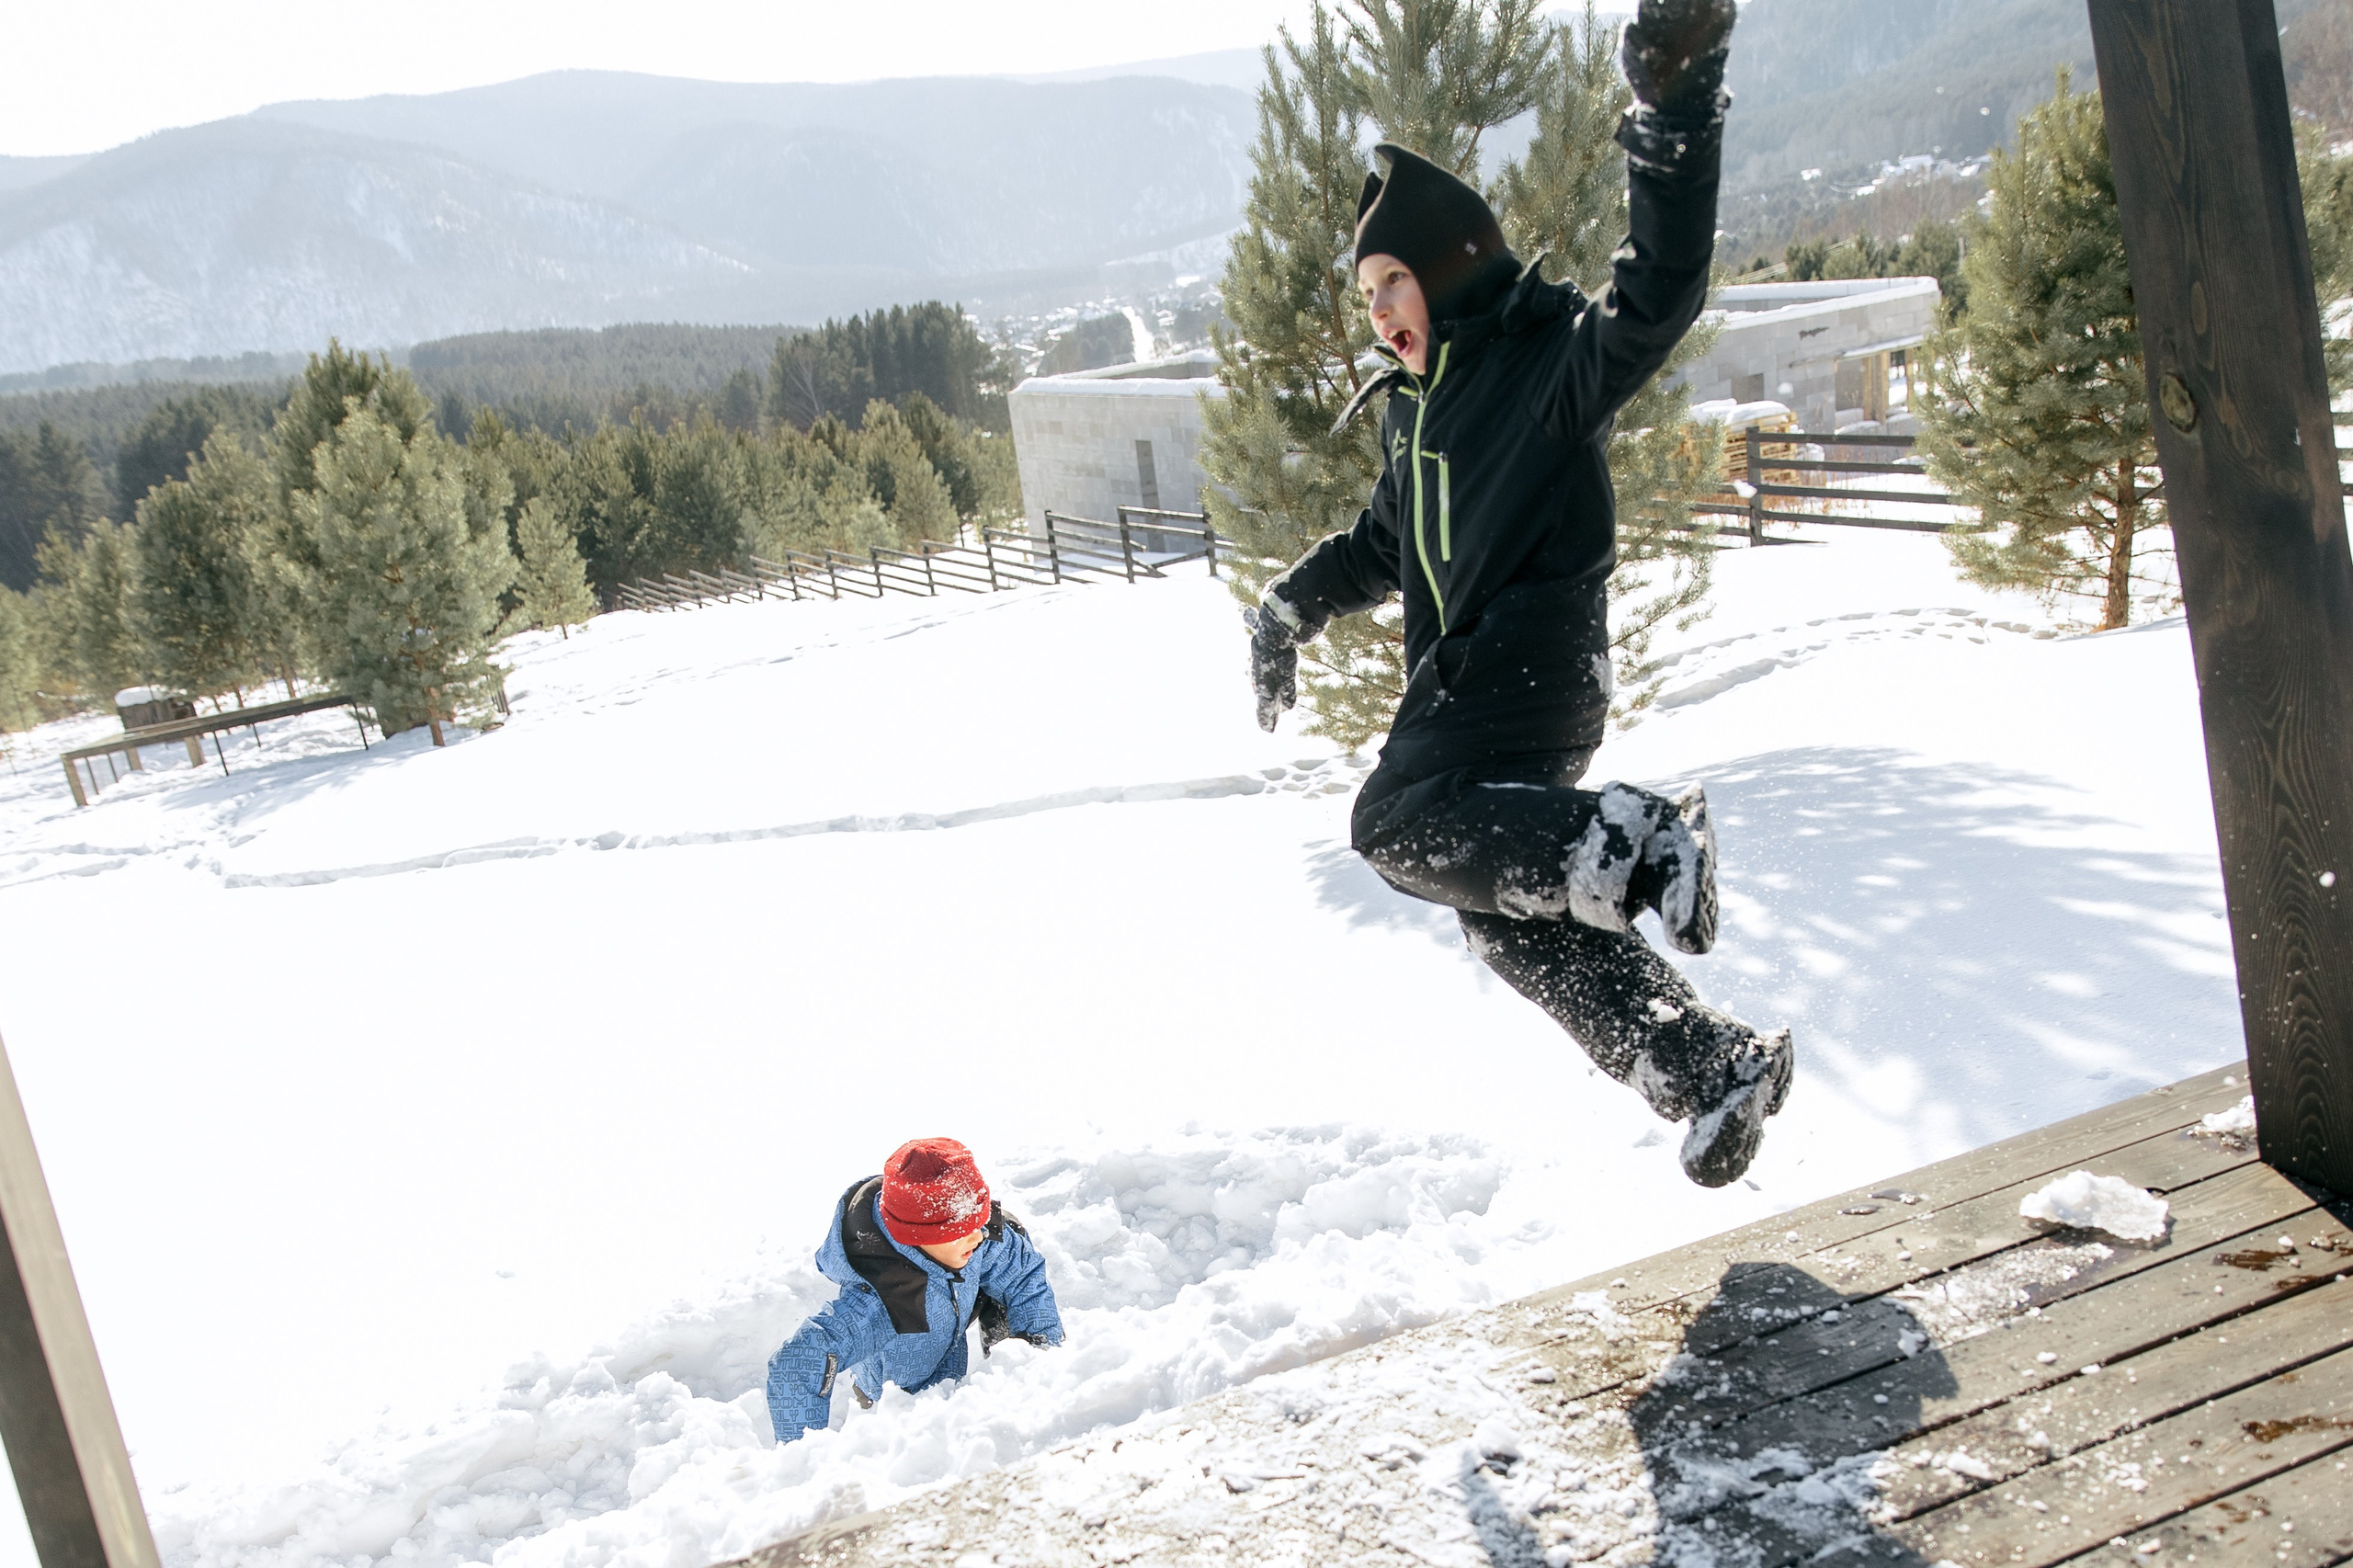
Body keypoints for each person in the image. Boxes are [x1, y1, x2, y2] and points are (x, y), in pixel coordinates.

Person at [1244, 0, 1792, 1189]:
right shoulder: (1415, 418)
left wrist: (1675, 115)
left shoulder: (1540, 368)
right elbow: (1379, 545)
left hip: (1528, 664)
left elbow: (1658, 294)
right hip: (1486, 694)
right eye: (1367, 289)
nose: (1379, 308)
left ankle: (1644, 840)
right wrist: (1288, 607)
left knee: (1391, 822)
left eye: (1395, 278)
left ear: (1449, 266)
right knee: (1503, 915)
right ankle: (1707, 1062)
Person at [765, 1137, 1062, 1444]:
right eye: (960, 1231)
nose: (977, 1237)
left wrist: (1039, 1362)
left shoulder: (973, 1240)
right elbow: (797, 1364)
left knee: (1008, 1237)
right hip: (895, 1404)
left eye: (979, 1222)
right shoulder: (880, 1299)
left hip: (949, 1362)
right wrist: (803, 1457)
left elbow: (1022, 1274)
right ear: (917, 1235)